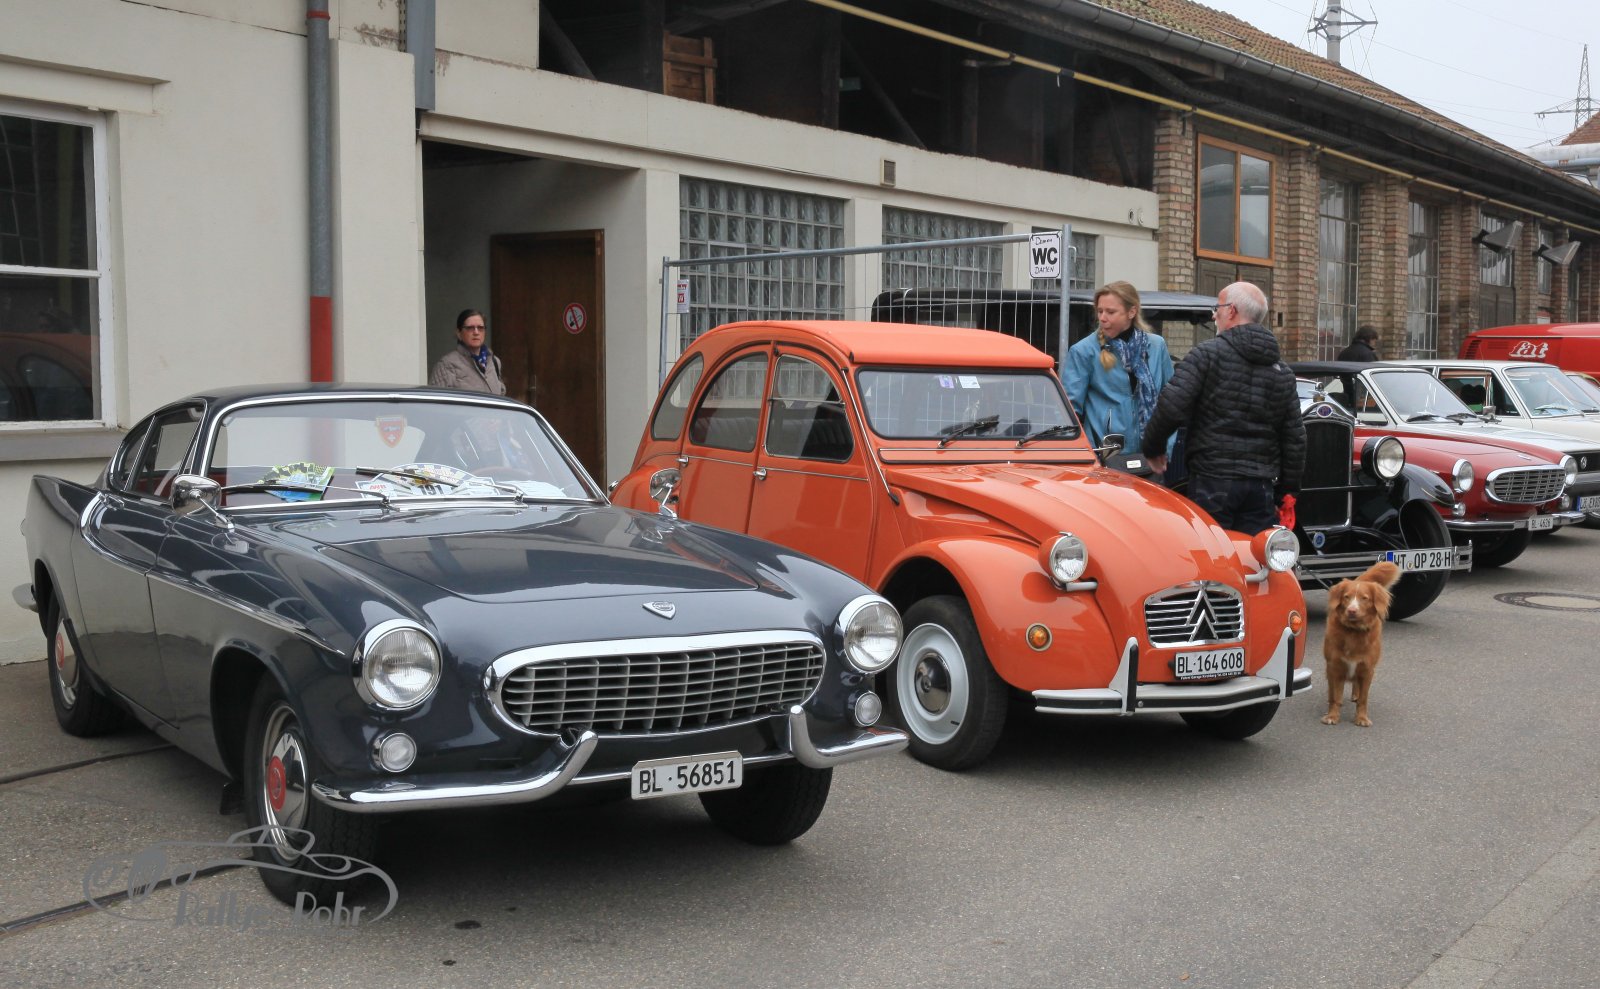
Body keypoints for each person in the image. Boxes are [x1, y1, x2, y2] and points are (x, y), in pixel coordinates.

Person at [1141, 282, 1304, 534]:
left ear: (1231, 310)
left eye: (1217, 308)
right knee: (1253, 554)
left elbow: (1172, 405)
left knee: (1213, 551)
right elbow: (1294, 437)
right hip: (1260, 487)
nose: (1213, 315)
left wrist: (1153, 448)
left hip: (1212, 480)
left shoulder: (1206, 355)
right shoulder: (1282, 371)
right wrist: (1287, 491)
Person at [1063, 281, 1173, 458]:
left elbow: (1170, 402)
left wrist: (1167, 448)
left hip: (1152, 454)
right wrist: (1088, 455)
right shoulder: (1083, 351)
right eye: (1100, 311)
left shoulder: (1156, 346)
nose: (1103, 318)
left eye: (1111, 312)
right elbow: (1070, 411)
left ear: (1132, 312)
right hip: (1106, 456)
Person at [429, 309, 507, 396]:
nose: (476, 332)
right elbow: (437, 400)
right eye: (470, 328)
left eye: (480, 328)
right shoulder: (447, 365)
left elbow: (501, 395)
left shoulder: (494, 362)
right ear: (459, 333)